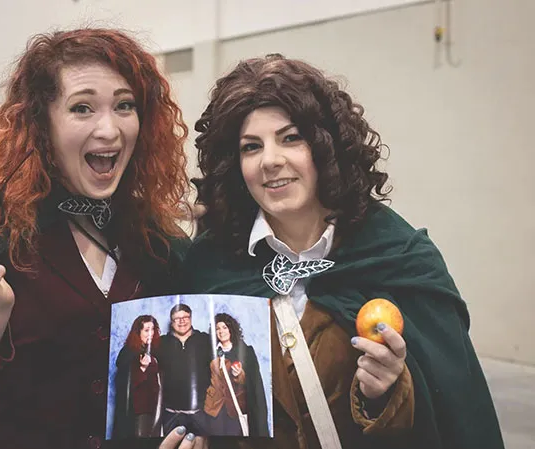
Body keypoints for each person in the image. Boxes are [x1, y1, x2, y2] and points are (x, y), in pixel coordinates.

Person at [183, 54, 504, 449]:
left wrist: (388, 391)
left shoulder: (397, 255)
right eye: (251, 147)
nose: (270, 160)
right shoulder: (209, 266)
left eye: (290, 138)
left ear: (325, 147)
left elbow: (453, 406)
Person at [0, 28, 192, 449]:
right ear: (42, 122)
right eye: (82, 108)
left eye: (125, 105)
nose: (109, 129)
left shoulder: (154, 240)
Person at [203, 313, 267, 437]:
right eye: (217, 329)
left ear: (231, 329)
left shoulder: (246, 351)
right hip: (216, 411)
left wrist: (240, 375)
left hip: (236, 410)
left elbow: (254, 383)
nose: (221, 331)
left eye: (224, 327)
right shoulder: (210, 353)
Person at [158, 304, 212, 436]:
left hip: (200, 413)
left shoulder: (205, 339)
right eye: (177, 318)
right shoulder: (161, 342)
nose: (182, 321)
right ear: (171, 323)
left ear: (191, 318)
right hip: (170, 413)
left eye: (185, 317)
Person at [114, 315, 163, 438]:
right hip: (137, 412)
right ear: (138, 332)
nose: (151, 333)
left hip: (153, 409)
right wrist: (143, 369)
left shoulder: (152, 351)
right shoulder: (129, 353)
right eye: (146, 330)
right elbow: (124, 384)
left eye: (153, 329)